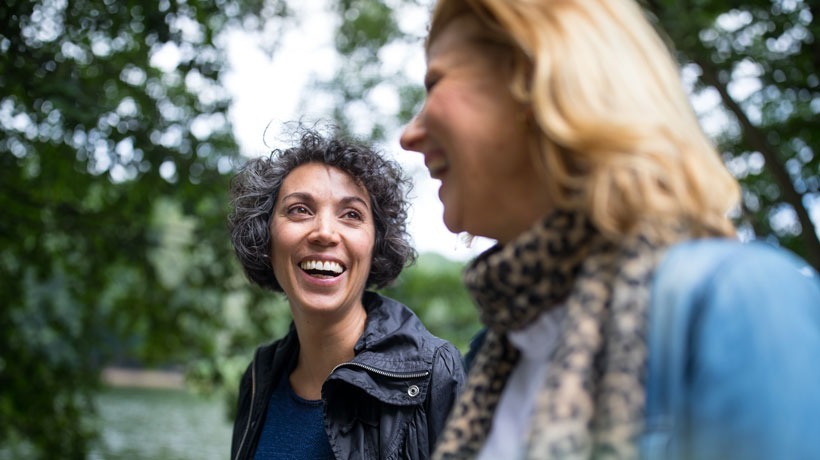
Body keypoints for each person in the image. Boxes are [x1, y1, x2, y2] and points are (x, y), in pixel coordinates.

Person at [398, 1, 820, 459]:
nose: (409, 134)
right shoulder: (495, 357)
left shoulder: (734, 300)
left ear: (537, 78)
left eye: (435, 82)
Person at [228, 126, 465, 460]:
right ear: (266, 239)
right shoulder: (258, 378)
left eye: (351, 214)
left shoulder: (434, 374)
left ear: (375, 246)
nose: (324, 232)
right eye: (300, 209)